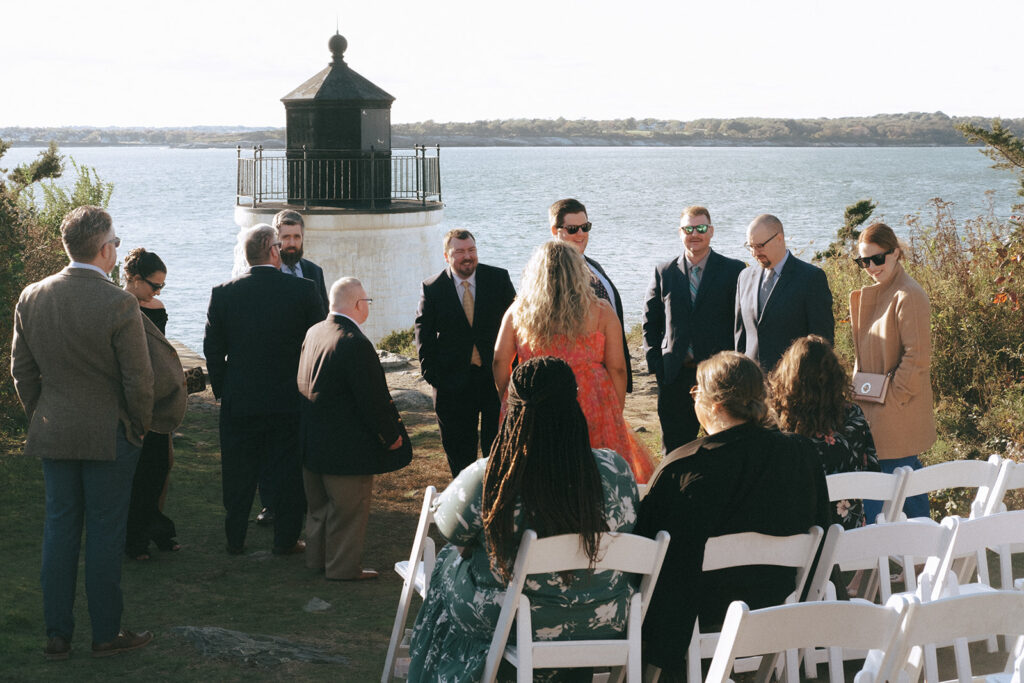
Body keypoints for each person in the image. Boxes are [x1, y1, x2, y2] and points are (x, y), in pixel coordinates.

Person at [407, 356, 640, 682]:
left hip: (511, 622)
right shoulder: (615, 470)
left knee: (447, 562)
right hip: (603, 617)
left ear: (512, 408)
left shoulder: (491, 476)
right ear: (574, 404)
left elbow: (449, 529)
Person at [11, 205, 155, 659]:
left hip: (55, 429)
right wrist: (138, 425)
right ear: (105, 249)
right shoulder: (119, 302)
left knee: (59, 532)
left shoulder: (32, 295)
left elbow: (23, 372)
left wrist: (43, 412)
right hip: (109, 434)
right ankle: (105, 633)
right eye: (114, 240)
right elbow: (139, 379)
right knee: (105, 534)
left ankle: (57, 635)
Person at [635, 351, 830, 678]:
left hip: (698, 616)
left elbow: (646, 556)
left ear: (714, 405)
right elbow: (821, 527)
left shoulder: (684, 469)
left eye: (696, 390)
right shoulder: (802, 454)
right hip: (778, 598)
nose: (693, 397)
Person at [203, 223, 323, 556]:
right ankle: (285, 540)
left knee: (239, 472)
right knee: (287, 473)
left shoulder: (223, 293)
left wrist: (225, 390)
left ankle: (235, 538)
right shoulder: (303, 290)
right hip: (289, 399)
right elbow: (316, 343)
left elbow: (213, 349)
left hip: (240, 399)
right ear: (273, 250)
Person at [493, 241, 655, 483]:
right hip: (591, 400)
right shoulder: (601, 311)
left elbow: (499, 361)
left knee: (539, 470)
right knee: (597, 471)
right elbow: (618, 368)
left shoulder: (518, 311)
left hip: (537, 399)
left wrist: (509, 398)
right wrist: (614, 408)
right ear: (579, 272)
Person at [297, 277, 411, 581]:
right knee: (348, 510)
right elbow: (373, 400)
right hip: (346, 444)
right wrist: (391, 437)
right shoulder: (355, 343)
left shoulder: (315, 331)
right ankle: (343, 569)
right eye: (367, 302)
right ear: (359, 305)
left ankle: (317, 560)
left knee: (318, 507)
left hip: (312, 439)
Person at [851, 222, 936, 521]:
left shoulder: (908, 295)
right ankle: (922, 556)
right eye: (864, 261)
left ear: (896, 252)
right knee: (903, 484)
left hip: (893, 413)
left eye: (878, 258)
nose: (871, 267)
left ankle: (878, 556)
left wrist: (891, 402)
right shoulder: (884, 292)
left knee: (892, 486)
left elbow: (918, 358)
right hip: (873, 409)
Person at [643, 205, 745, 453]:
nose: (694, 234)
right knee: (676, 451)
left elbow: (741, 322)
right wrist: (657, 365)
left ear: (711, 231)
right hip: (675, 376)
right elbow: (651, 322)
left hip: (719, 378)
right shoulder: (664, 271)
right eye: (688, 229)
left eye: (700, 228)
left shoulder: (734, 270)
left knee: (725, 448)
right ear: (680, 233)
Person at [414, 229, 516, 476]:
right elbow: (423, 334)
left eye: (471, 250)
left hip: (495, 381)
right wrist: (434, 377)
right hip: (452, 385)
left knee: (500, 452)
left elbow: (518, 325)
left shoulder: (498, 279)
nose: (467, 256)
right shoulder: (433, 287)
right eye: (459, 252)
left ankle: (496, 502)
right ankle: (465, 505)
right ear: (447, 257)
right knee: (461, 458)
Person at [256, 209, 330, 527]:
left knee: (304, 439)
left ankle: (302, 500)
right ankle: (271, 505)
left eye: (296, 236)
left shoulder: (314, 272)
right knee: (272, 442)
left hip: (309, 371)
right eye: (285, 237)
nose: (291, 243)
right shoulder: (261, 275)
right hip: (274, 373)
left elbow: (325, 318)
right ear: (275, 240)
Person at [768, 335, 880, 530]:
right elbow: (871, 472)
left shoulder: (777, 423)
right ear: (835, 376)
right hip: (850, 534)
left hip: (799, 535)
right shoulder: (853, 416)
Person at [122, 248, 188, 560]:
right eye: (153, 285)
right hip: (131, 397)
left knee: (159, 469)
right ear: (133, 279)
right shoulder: (120, 309)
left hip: (159, 399)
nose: (158, 292)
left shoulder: (156, 307)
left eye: (162, 286)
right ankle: (134, 539)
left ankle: (155, 528)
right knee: (136, 474)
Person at [549, 198, 633, 392]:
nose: (580, 234)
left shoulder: (594, 266)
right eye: (572, 229)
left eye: (585, 227)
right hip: (577, 381)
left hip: (607, 374)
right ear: (555, 231)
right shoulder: (550, 273)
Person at [734, 213, 835, 371]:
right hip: (752, 386)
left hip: (794, 384)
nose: (754, 253)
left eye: (760, 246)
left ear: (779, 238)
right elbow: (740, 336)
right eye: (750, 246)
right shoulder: (744, 277)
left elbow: (822, 341)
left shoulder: (811, 278)